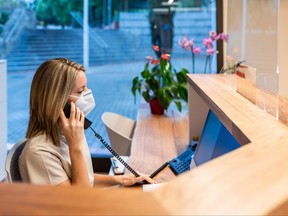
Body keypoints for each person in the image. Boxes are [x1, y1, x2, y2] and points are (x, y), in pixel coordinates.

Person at [19, 58, 155, 187]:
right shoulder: (39, 153)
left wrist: (120, 179)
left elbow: (81, 178)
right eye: (80, 90)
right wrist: (75, 146)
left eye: (86, 87)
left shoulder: (71, 131)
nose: (88, 93)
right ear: (58, 102)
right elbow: (77, 203)